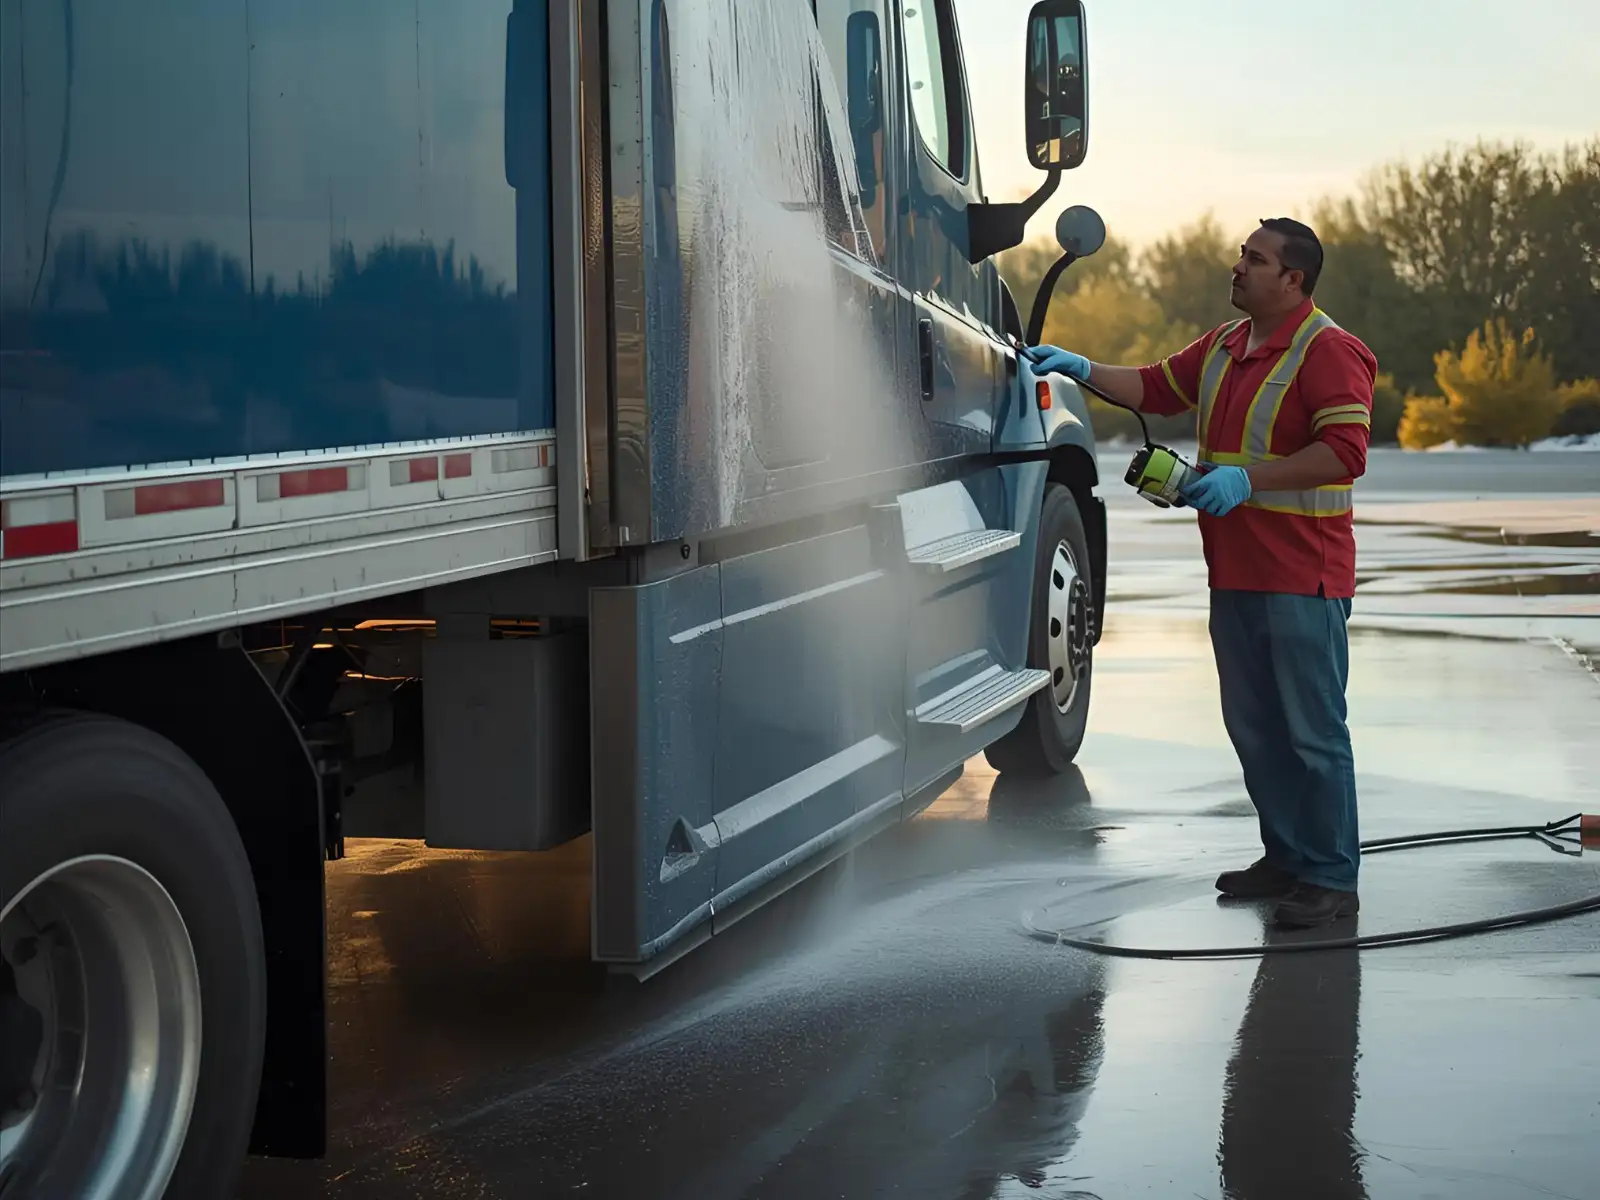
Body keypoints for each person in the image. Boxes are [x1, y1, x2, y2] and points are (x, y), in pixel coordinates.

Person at [1028, 218, 1378, 928]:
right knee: (1254, 729)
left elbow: (1345, 452)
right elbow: (1156, 387)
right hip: (1236, 571)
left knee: (1311, 733)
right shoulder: (1225, 345)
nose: (1238, 266)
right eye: (1242, 254)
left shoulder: (1329, 351)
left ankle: (1332, 880)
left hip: (1302, 577)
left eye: (1256, 259)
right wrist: (1083, 368)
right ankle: (1286, 858)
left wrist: (1246, 482)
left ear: (1294, 280)